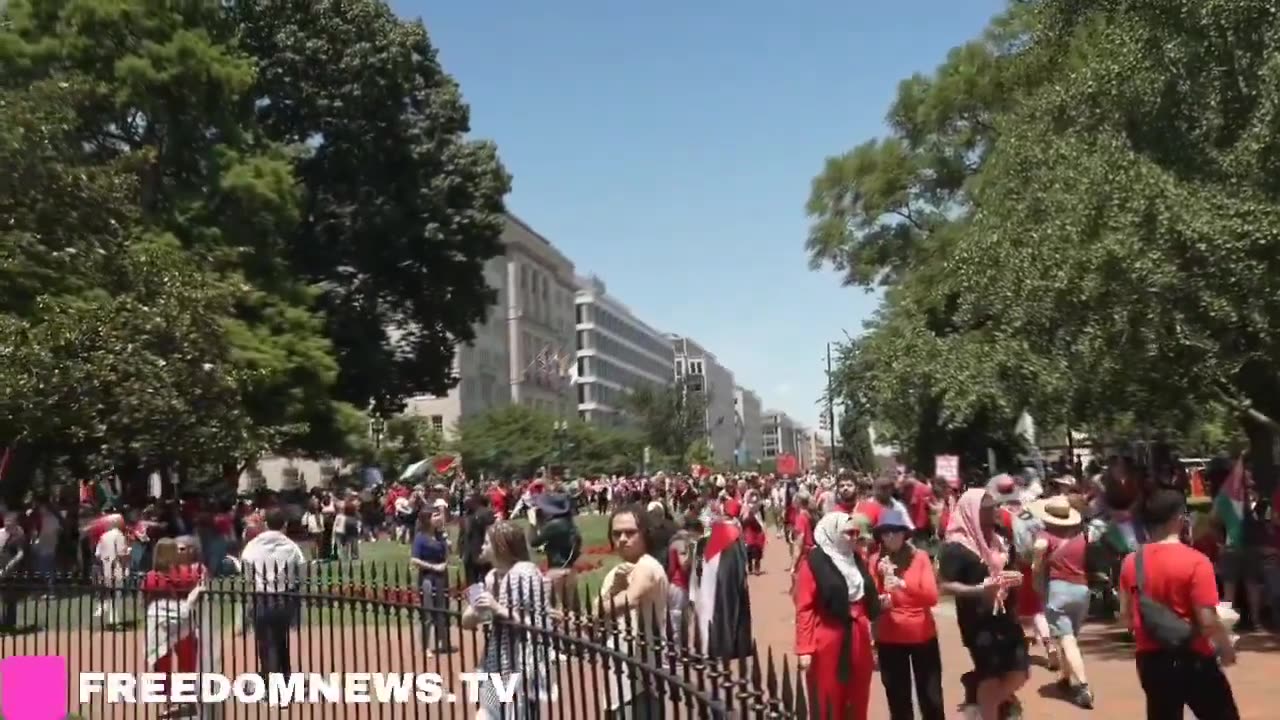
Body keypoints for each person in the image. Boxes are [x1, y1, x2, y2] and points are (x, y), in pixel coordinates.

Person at [1118, 488, 1240, 719]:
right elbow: (1207, 620)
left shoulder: (1131, 561)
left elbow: (1126, 617)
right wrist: (1225, 647)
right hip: (1193, 657)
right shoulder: (1197, 561)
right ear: (1179, 519)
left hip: (1150, 660)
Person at [937, 488, 1029, 720]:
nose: (995, 512)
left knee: (1020, 671)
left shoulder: (1000, 536)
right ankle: (988, 709)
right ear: (972, 512)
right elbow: (944, 585)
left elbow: (1012, 566)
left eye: (995, 507)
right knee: (990, 674)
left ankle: (977, 693)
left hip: (1006, 615)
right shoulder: (956, 548)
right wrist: (978, 590)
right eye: (988, 509)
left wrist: (1015, 577)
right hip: (978, 621)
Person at [461, 521, 556, 720]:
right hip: (496, 662)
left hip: (522, 664)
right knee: (486, 713)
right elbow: (466, 621)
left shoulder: (524, 572)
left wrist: (497, 608)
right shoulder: (491, 577)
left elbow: (538, 624)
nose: (482, 547)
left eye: (487, 543)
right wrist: (478, 609)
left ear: (501, 547)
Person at [794, 511, 880, 720]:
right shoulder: (813, 562)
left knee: (858, 693)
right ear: (833, 533)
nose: (853, 538)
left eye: (856, 533)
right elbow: (805, 607)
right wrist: (805, 648)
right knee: (828, 694)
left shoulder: (856, 559)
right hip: (829, 635)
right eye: (848, 533)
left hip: (859, 632)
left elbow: (866, 593)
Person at [871, 509, 943, 720]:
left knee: (931, 697)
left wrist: (903, 584)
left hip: (922, 635)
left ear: (904, 534)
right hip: (889, 637)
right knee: (898, 698)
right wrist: (880, 600)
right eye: (886, 532)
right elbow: (871, 599)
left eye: (895, 531)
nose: (891, 536)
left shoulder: (919, 558)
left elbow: (931, 596)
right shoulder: (876, 560)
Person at [598, 506, 670, 718]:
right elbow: (593, 615)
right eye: (616, 533)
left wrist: (605, 603)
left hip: (641, 680)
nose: (622, 539)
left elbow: (632, 597)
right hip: (618, 673)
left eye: (630, 533)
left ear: (645, 534)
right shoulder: (616, 573)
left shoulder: (647, 566)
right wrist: (612, 594)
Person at [1027, 495, 1093, 708]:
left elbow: (1036, 564)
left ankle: (1083, 686)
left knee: (1066, 639)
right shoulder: (1082, 536)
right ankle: (1065, 677)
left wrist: (1037, 580)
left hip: (1058, 591)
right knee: (1070, 637)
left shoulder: (1044, 536)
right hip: (1082, 590)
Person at [236, 508, 306, 687]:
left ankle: (271, 680)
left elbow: (246, 572)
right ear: (285, 525)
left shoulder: (253, 545)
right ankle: (283, 675)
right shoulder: (291, 546)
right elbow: (302, 570)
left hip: (262, 597)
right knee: (280, 638)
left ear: (266, 524)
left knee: (266, 641)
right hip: (284, 597)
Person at [141, 538, 207, 719]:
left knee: (162, 663)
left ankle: (169, 702)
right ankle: (186, 698)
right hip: (184, 622)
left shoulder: (151, 577)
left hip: (161, 624)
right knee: (187, 660)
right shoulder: (188, 573)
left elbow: (146, 601)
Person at [410, 508, 453, 657]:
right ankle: (426, 646)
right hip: (428, 577)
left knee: (442, 610)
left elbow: (449, 552)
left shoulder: (440, 536)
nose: (439, 517)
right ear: (427, 519)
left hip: (442, 576)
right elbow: (414, 560)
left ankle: (444, 642)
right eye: (435, 515)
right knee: (428, 612)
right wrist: (434, 567)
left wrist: (447, 542)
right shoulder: (420, 537)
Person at [530, 492, 582, 610]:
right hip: (570, 569)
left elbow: (534, 542)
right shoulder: (569, 523)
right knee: (573, 608)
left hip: (556, 570)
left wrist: (532, 524)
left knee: (556, 609)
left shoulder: (553, 525)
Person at [93, 513, 130, 625]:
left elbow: (97, 554)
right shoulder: (119, 535)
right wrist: (128, 554)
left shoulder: (104, 536)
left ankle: (103, 612)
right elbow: (121, 554)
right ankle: (114, 619)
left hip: (106, 567)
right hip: (116, 566)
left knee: (108, 592)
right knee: (117, 594)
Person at [0, 512, 28, 631]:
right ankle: (4, 623)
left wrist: (10, 565)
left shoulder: (19, 536)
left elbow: (21, 553)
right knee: (4, 597)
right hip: (3, 570)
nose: (7, 525)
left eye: (9, 523)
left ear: (15, 523)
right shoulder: (5, 536)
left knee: (10, 598)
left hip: (13, 572)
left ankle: (9, 623)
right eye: (6, 522)